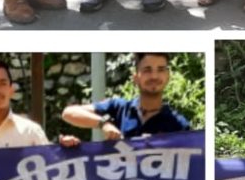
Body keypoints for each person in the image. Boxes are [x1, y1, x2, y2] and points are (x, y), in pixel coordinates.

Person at [61, 52, 192, 140]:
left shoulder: (179, 125)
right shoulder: (118, 108)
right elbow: (69, 113)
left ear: (168, 76)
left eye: (161, 69)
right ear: (135, 77)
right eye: (147, 70)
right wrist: (104, 124)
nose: (154, 76)